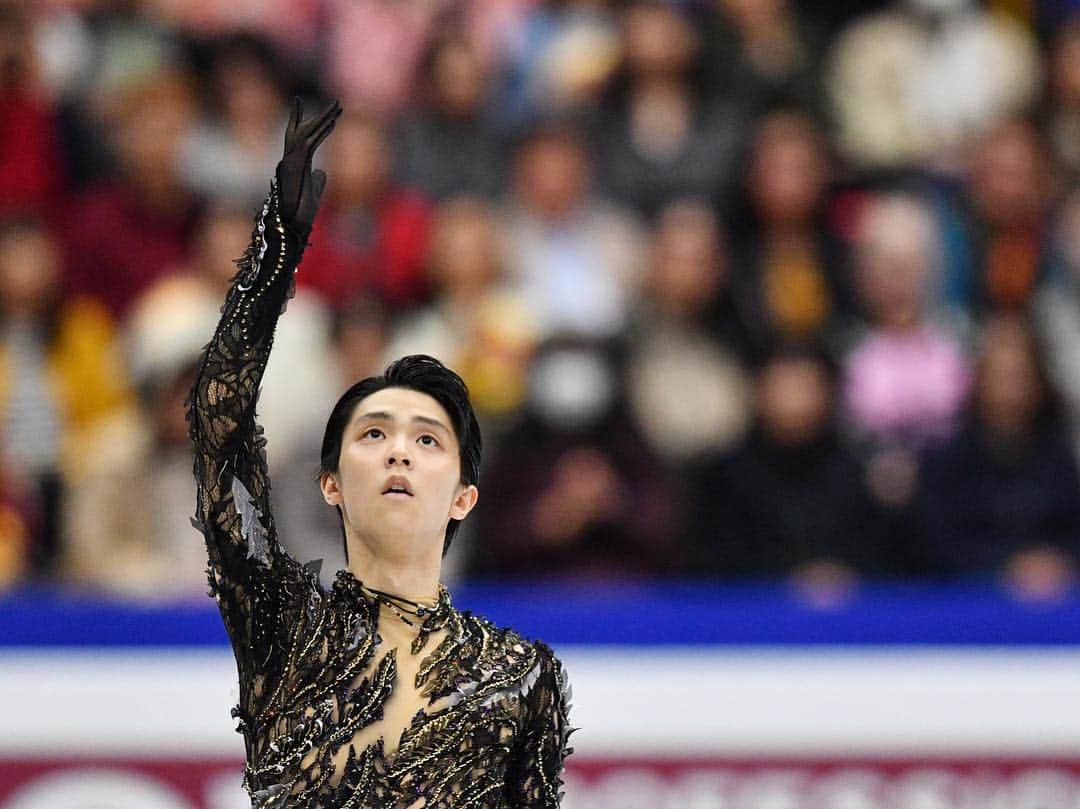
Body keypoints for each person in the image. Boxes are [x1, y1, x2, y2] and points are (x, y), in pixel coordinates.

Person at [186, 99, 575, 807]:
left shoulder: (521, 674)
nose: (399, 451)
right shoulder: (283, 633)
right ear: (330, 483)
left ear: (464, 494)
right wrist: (275, 252)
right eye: (373, 433)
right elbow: (218, 432)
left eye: (427, 438)